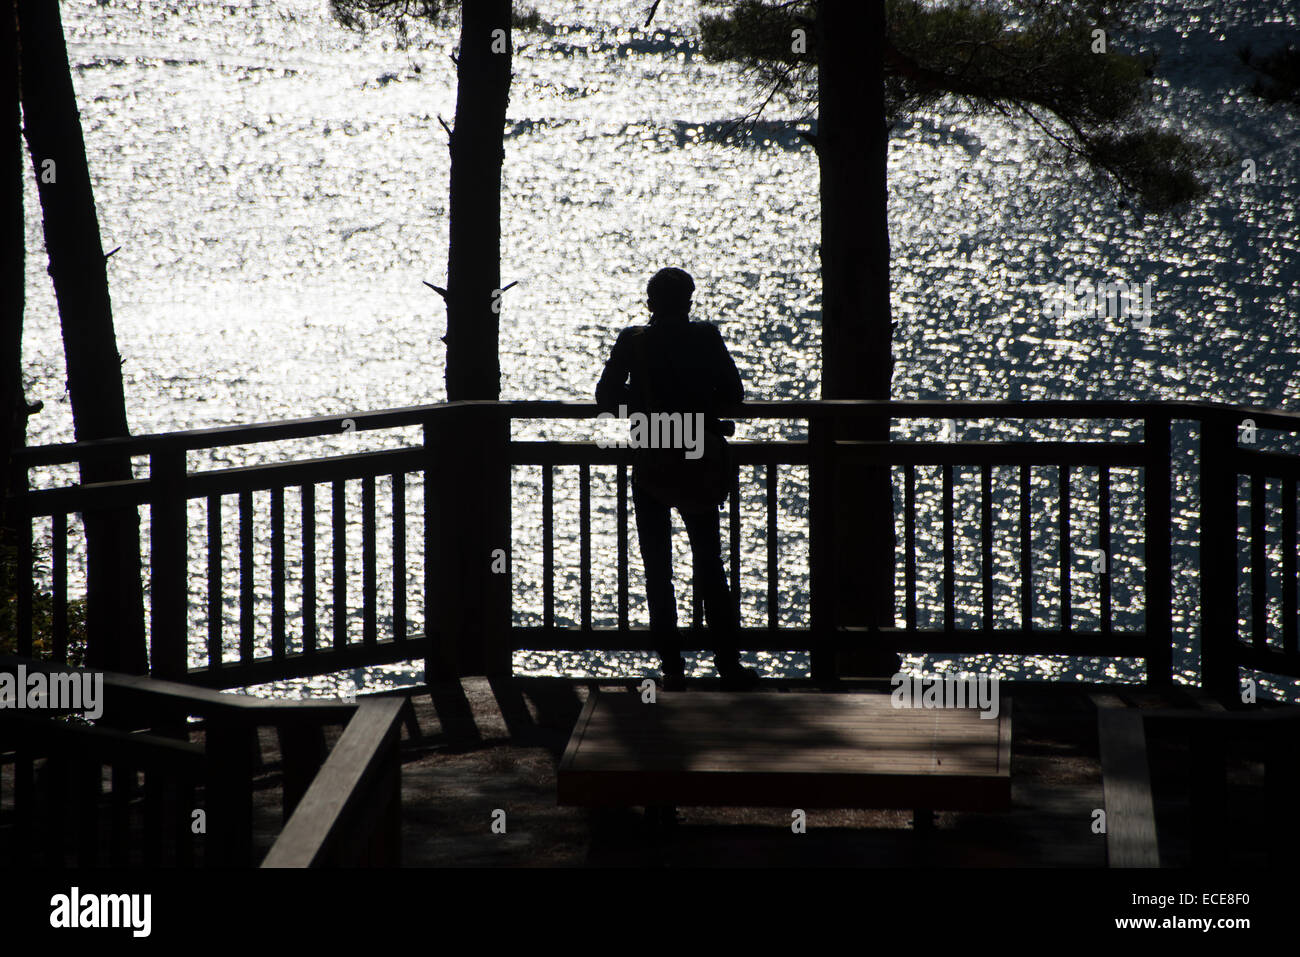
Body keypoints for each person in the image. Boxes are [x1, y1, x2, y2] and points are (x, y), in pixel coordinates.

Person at [595, 267, 760, 691]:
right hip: (699, 458)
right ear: (688, 302)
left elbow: (606, 397)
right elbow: (733, 394)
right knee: (709, 563)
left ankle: (671, 668)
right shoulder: (705, 337)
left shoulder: (633, 341)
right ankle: (727, 663)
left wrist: (647, 406)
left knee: (657, 568)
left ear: (650, 302)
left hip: (652, 459)